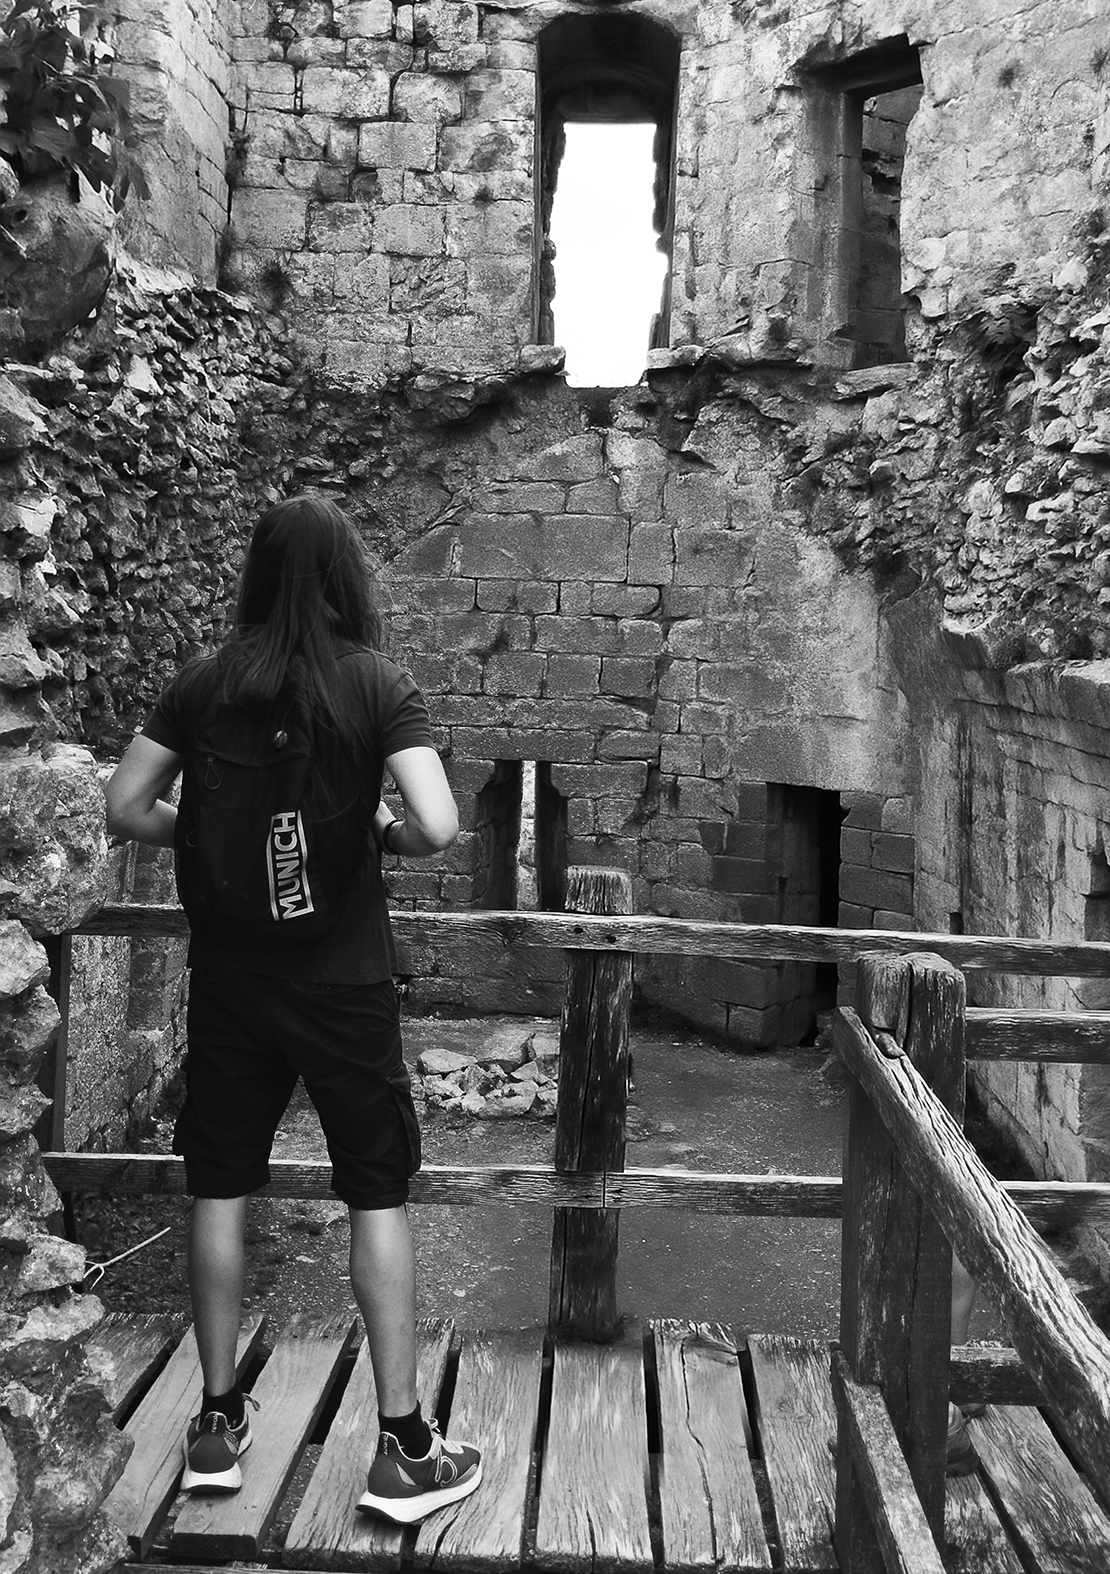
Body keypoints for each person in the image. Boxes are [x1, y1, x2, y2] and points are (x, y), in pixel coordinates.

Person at [104, 494, 482, 1524]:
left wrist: (207, 833)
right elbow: (440, 823)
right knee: (376, 1194)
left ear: (258, 575)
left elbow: (126, 806)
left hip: (232, 980)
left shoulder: (203, 682)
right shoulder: (375, 683)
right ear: (349, 575)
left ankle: (215, 1425)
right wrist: (374, 837)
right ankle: (405, 1448)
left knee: (219, 1185)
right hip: (343, 979)